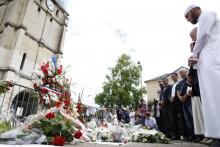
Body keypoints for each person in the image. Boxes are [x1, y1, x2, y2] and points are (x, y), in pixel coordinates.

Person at [185, 5, 220, 139]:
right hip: (207, 65)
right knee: (210, 100)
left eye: (187, 16)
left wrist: (194, 55)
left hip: (214, 63)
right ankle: (215, 133)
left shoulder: (207, 14)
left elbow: (203, 36)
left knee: (215, 97)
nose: (188, 20)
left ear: (194, 10)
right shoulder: (203, 19)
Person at [188, 27, 205, 141]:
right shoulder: (194, 56)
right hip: (196, 87)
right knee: (199, 112)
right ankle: (202, 134)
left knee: (204, 110)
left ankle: (207, 134)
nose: (191, 48)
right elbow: (191, 73)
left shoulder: (203, 53)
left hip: (202, 85)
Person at [177, 69, 195, 141]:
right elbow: (177, 90)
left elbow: (191, 87)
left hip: (190, 100)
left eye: (182, 72)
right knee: (188, 120)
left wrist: (184, 96)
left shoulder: (189, 79)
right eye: (180, 73)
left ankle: (197, 135)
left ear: (186, 72)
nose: (181, 74)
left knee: (193, 117)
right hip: (183, 103)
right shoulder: (181, 82)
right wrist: (180, 97)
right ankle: (191, 135)